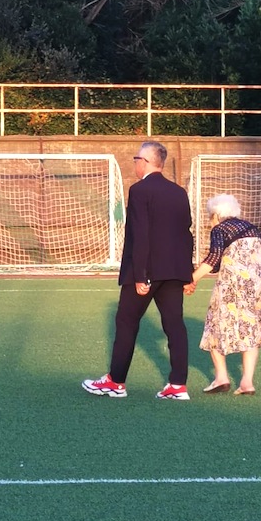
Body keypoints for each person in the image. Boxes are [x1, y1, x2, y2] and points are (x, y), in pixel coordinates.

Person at [82, 141, 194, 400]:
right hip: (174, 272)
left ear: (145, 161)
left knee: (126, 322)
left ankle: (115, 382)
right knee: (175, 325)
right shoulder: (179, 192)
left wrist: (141, 274)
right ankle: (178, 385)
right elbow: (185, 233)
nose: (134, 163)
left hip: (147, 271)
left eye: (136, 158)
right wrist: (186, 272)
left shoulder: (140, 190)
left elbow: (140, 234)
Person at [186, 193, 261, 395]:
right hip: (259, 284)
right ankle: (247, 383)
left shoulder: (220, 229)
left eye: (211, 215)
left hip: (233, 284)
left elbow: (213, 259)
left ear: (217, 214)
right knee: (251, 328)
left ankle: (221, 378)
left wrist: (192, 279)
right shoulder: (251, 228)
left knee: (216, 325)